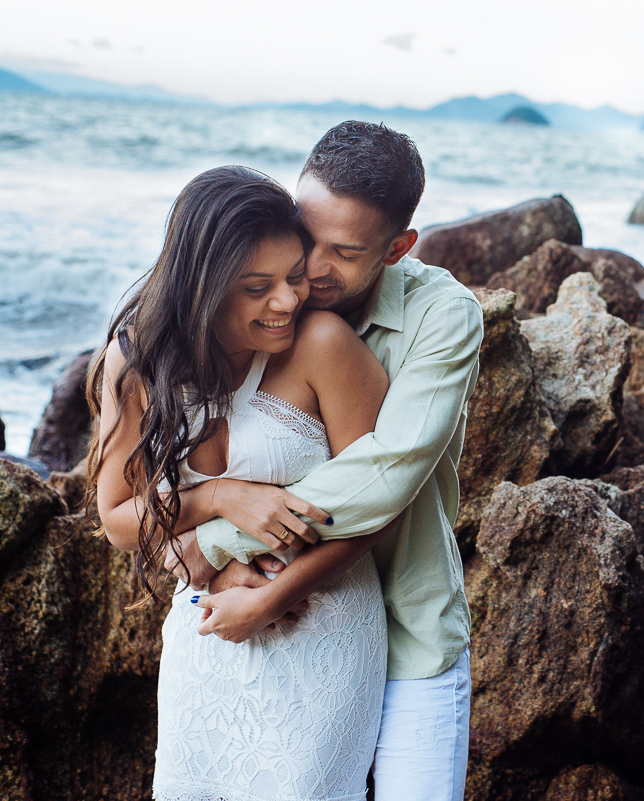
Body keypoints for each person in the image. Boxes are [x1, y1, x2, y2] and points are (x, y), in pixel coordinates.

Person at [169, 121, 483, 800]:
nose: (312, 268)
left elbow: (385, 474)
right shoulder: (266, 308)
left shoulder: (444, 316)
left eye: (344, 251)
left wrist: (213, 543)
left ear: (398, 249)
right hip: (283, 636)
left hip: (408, 630)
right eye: (307, 236)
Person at [89, 165, 396, 799]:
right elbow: (118, 520)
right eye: (257, 287)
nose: (287, 301)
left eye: (294, 276)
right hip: (207, 627)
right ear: (201, 289)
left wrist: (272, 599)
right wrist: (217, 497)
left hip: (320, 624)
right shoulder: (136, 360)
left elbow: (380, 505)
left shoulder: (324, 344)